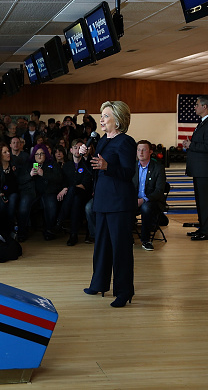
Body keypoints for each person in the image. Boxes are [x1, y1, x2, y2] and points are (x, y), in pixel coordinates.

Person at [80, 101, 137, 308]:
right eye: (102, 116)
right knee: (101, 246)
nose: (101, 120)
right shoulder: (103, 141)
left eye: (105, 116)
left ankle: (124, 291)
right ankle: (99, 283)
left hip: (119, 203)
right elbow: (96, 169)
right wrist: (87, 157)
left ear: (118, 120)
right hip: (102, 200)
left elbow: (128, 172)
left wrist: (108, 166)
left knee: (120, 249)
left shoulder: (126, 142)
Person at [182, 95, 208, 241]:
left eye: (197, 104)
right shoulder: (204, 123)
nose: (195, 107)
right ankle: (203, 228)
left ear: (205, 107)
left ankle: (207, 231)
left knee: (205, 202)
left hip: (205, 170)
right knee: (201, 201)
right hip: (200, 170)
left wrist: (190, 145)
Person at [16, 144, 63, 241]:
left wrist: (44, 174)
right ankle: (21, 232)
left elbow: (59, 178)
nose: (39, 156)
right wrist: (30, 175)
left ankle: (49, 230)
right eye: (37, 154)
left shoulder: (52, 164)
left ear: (46, 154)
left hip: (48, 192)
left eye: (42, 153)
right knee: (24, 205)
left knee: (51, 205)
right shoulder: (28, 164)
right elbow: (19, 180)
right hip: (30, 192)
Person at [57, 139, 93, 246]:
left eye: (80, 148)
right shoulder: (67, 166)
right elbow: (63, 182)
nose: (78, 150)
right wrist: (65, 188)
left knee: (74, 191)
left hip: (84, 194)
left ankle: (60, 219)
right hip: (73, 197)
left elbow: (84, 185)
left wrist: (67, 188)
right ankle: (73, 235)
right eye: (76, 148)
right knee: (75, 199)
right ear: (71, 150)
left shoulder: (86, 164)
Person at [133, 140, 167, 251]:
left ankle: (146, 240)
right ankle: (127, 237)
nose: (141, 152)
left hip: (152, 201)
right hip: (134, 200)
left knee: (146, 207)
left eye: (144, 150)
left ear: (150, 152)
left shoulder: (158, 168)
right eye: (138, 150)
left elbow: (159, 191)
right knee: (123, 205)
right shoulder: (132, 168)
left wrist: (143, 200)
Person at [0, 144, 19, 234]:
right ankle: (2, 231)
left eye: (8, 151)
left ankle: (11, 229)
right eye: (5, 152)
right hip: (1, 193)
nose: (8, 154)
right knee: (2, 205)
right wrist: (0, 193)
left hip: (13, 191)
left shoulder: (13, 165)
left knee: (12, 201)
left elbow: (18, 180)